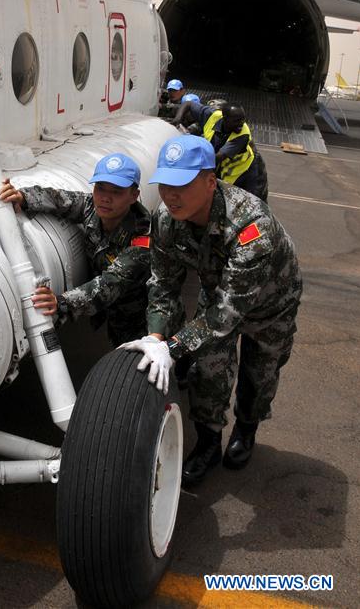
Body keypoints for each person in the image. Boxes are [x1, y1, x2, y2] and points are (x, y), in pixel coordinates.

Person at [122, 135, 302, 485]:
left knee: (259, 374)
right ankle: (208, 444)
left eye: (182, 185)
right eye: (165, 185)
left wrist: (171, 349)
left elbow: (228, 313)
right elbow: (163, 284)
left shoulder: (251, 227)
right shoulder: (166, 219)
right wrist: (156, 335)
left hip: (270, 305)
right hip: (218, 292)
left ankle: (246, 429)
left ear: (209, 181)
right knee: (208, 368)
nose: (171, 195)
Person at [0, 153, 151, 346]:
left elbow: (111, 282)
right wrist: (23, 197)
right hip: (113, 314)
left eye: (117, 191)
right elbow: (60, 199)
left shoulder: (142, 236)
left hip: (141, 320)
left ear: (133, 196)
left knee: (139, 363)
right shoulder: (92, 207)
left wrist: (63, 302)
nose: (105, 198)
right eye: (100, 188)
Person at [173, 100, 268, 201]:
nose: (241, 124)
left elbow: (216, 158)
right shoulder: (212, 116)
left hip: (247, 172)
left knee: (253, 203)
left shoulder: (242, 135)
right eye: (236, 121)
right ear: (225, 118)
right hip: (225, 171)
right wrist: (178, 119)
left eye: (243, 120)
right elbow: (188, 104)